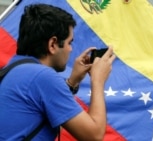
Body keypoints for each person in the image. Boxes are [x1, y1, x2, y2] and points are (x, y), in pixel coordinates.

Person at [0, 3, 116, 141]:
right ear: (53, 44)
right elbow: (94, 136)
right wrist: (98, 80)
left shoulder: (14, 67)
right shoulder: (42, 76)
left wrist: (73, 81)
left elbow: (41, 106)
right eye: (69, 43)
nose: (70, 49)